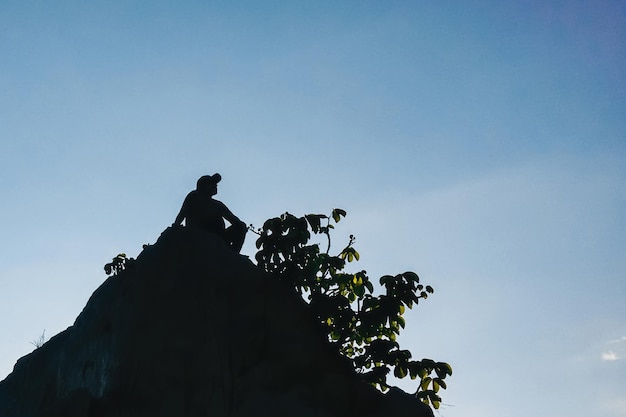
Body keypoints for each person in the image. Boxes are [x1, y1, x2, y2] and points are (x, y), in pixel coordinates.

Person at [173, 173, 247, 253]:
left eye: (215, 184)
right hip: (200, 234)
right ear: (203, 186)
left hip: (219, 236)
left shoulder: (218, 205)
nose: (215, 186)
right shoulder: (194, 196)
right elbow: (183, 212)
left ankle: (233, 254)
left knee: (241, 226)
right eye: (212, 184)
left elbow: (234, 221)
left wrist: (241, 227)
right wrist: (176, 226)